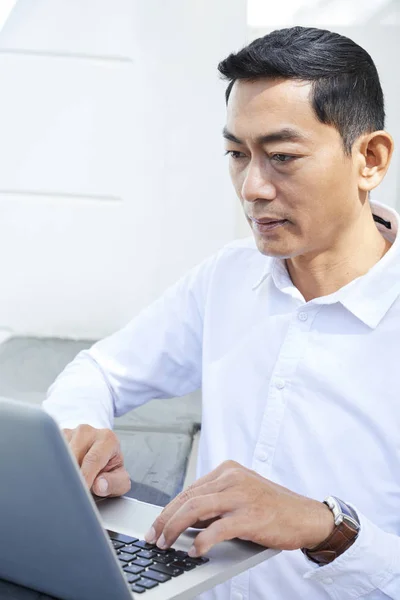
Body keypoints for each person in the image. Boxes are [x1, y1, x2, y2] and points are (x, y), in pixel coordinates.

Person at [43, 26, 400, 599]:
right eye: (237, 154)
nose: (252, 187)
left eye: (282, 157)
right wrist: (80, 431)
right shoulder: (229, 279)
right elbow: (100, 371)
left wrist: (327, 526)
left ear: (370, 159)